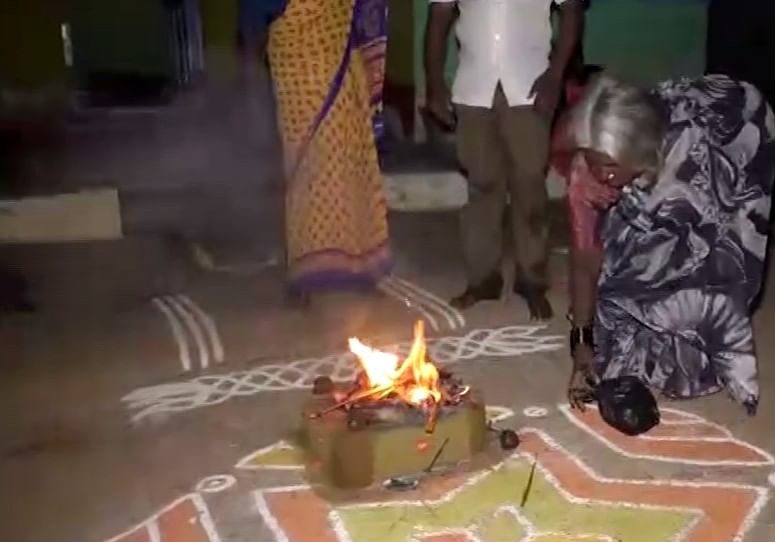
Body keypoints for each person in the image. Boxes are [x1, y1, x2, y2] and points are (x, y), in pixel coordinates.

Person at [560, 74, 775, 430]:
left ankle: (690, 333)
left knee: (708, 255)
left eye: (611, 167)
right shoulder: (588, 174)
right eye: (591, 160)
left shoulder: (693, 157)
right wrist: (582, 339)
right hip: (653, 166)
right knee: (624, 274)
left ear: (641, 155)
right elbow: (585, 258)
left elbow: (708, 240)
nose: (601, 174)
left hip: (736, 121)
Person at [424, 0, 583, 320]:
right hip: (473, 90)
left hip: (531, 89)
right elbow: (439, 18)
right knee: (481, 186)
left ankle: (533, 281)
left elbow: (573, 11)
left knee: (530, 187)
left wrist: (555, 76)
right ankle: (483, 280)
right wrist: (434, 84)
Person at [238, 0, 391, 305]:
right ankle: (306, 270)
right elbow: (253, 18)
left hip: (343, 65)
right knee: (308, 166)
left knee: (349, 159)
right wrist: (250, 76)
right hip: (299, 71)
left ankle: (358, 264)